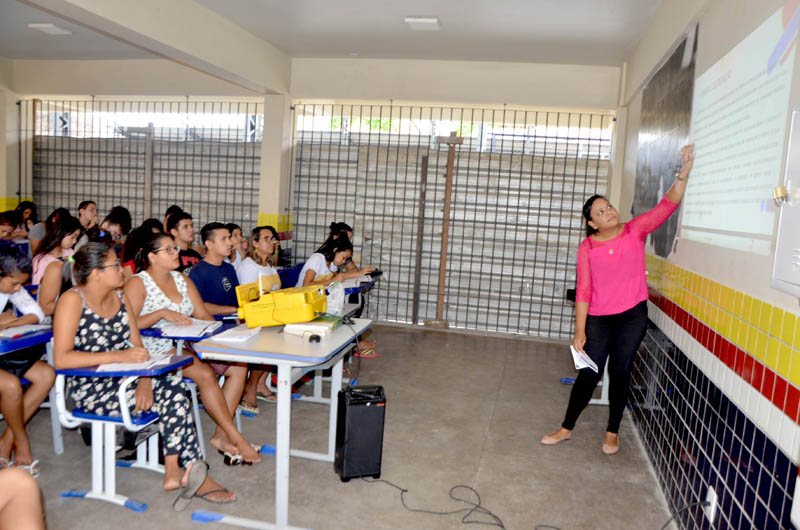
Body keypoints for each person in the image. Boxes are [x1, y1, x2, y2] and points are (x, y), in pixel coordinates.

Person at [52, 243, 236, 504]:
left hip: (128, 378)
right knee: (174, 398)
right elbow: (61, 358)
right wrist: (118, 357)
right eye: (115, 265)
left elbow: (138, 347)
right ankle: (190, 475)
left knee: (175, 392)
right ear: (95, 274)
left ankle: (174, 470)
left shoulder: (120, 297)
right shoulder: (72, 300)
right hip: (93, 388)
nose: (122, 270)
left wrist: (146, 382)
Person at [541, 144, 695, 455]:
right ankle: (566, 427)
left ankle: (612, 432)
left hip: (632, 316)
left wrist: (683, 173)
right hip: (599, 318)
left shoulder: (634, 231)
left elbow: (668, 205)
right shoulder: (587, 248)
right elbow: (583, 290)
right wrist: (580, 331)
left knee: (621, 370)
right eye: (600, 211)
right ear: (592, 224)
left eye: (608, 206)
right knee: (590, 372)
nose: (609, 210)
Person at [125, 232, 261, 465]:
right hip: (152, 351)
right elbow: (128, 326)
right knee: (205, 373)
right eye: (168, 250)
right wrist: (160, 314)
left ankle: (220, 435)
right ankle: (236, 437)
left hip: (184, 346)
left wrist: (231, 337)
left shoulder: (182, 280)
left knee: (239, 365)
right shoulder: (138, 283)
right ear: (151, 257)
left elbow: (204, 317)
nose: (176, 253)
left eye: (175, 248)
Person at [0, 242, 53, 477]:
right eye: (14, 283)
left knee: (46, 375)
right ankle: (22, 443)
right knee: (11, 385)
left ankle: (6, 441)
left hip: (3, 352)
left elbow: (37, 314)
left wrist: (10, 321)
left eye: (21, 283)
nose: (18, 289)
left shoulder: (13, 287)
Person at [237, 226, 281, 412]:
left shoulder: (269, 265)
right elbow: (248, 299)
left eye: (272, 239)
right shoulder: (248, 266)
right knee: (270, 341)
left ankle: (262, 383)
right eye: (266, 239)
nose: (271, 242)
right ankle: (250, 387)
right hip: (253, 317)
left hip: (269, 315)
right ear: (254, 243)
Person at [329, 222, 378, 356]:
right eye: (346, 237)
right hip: (325, 292)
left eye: (350, 238)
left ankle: (353, 340)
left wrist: (362, 273)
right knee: (352, 300)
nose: (348, 241)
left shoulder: (342, 253)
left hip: (334, 289)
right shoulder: (326, 255)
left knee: (357, 299)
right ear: (335, 237)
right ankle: (352, 342)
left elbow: (352, 269)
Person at [189, 223, 239, 315]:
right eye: (223, 239)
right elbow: (197, 306)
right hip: (212, 325)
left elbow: (237, 298)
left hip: (234, 324)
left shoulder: (229, 268)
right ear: (209, 244)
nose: (230, 243)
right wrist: (232, 310)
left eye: (229, 238)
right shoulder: (198, 272)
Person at [296, 234, 370, 288]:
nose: (344, 262)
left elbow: (340, 277)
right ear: (335, 250)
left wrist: (361, 272)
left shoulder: (333, 264)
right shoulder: (317, 259)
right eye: (343, 257)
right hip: (299, 299)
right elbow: (306, 285)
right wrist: (332, 281)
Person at [30, 215, 81, 286]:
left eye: (76, 238)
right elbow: (37, 288)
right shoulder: (41, 260)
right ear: (61, 233)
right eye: (72, 237)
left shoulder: (70, 252)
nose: (75, 241)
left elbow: (75, 266)